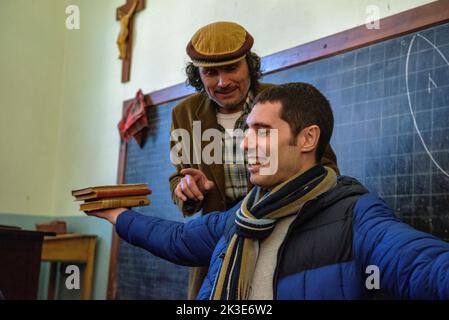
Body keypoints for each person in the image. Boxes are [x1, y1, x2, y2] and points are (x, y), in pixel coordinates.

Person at [89, 83, 449, 299]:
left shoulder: (356, 216)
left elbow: (425, 266)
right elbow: (178, 239)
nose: (245, 144)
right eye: (246, 131)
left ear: (307, 138)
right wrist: (117, 215)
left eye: (261, 131)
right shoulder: (242, 216)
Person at [168, 21, 339, 298]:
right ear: (198, 75)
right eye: (211, 73)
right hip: (217, 239)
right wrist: (187, 189)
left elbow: (326, 168)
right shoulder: (183, 113)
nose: (223, 82)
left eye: (232, 68)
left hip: (283, 234)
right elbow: (179, 174)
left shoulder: (285, 101)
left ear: (249, 64)